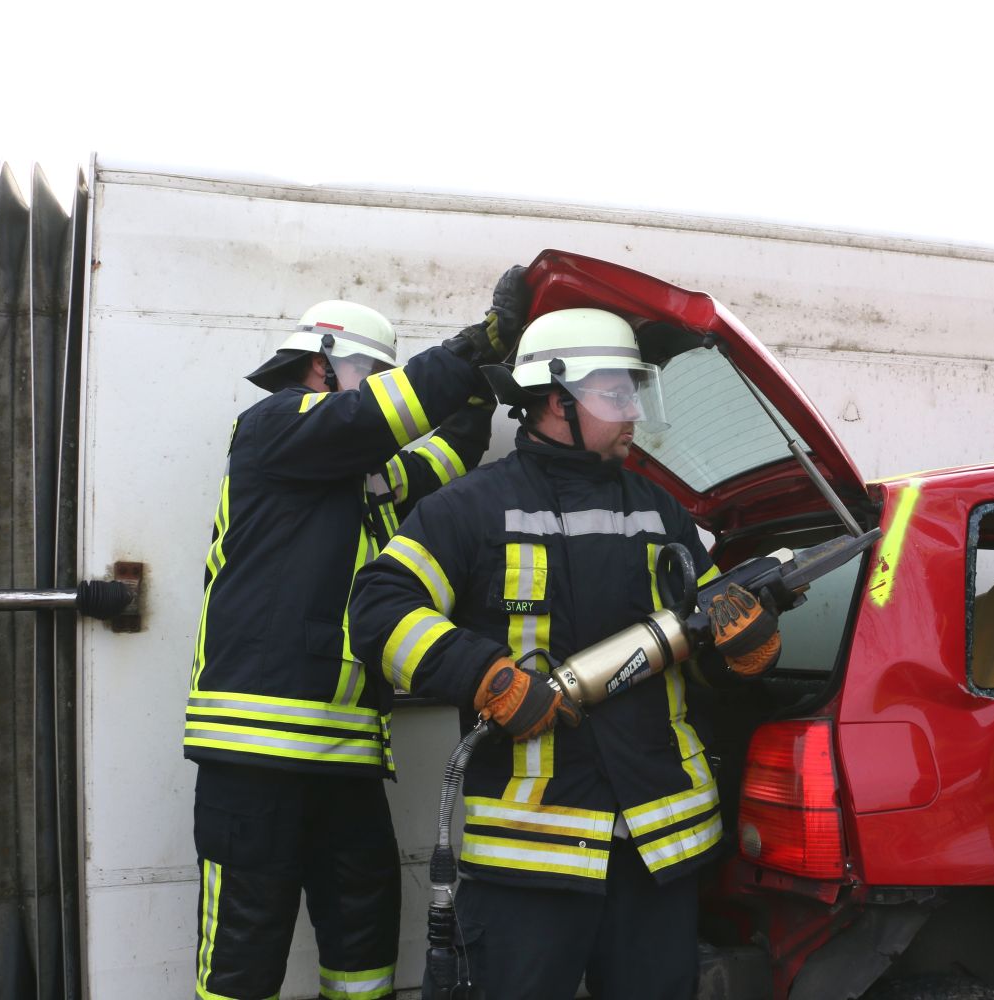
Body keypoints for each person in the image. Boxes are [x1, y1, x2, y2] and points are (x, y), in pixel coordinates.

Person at [347, 307, 781, 999]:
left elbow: (700, 647)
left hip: (657, 851)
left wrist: (742, 650)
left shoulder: (661, 511)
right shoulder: (470, 509)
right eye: (617, 393)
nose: (634, 411)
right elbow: (378, 609)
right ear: (557, 398)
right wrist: (485, 676)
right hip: (528, 862)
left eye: (636, 392)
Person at [184, 269, 529, 1000]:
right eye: (371, 373)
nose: (382, 389)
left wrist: (476, 398)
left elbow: (438, 462)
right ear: (321, 361)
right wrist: (473, 347)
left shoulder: (358, 479)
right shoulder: (275, 427)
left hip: (343, 756)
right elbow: (374, 418)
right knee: (241, 957)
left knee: (366, 937)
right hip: (256, 754)